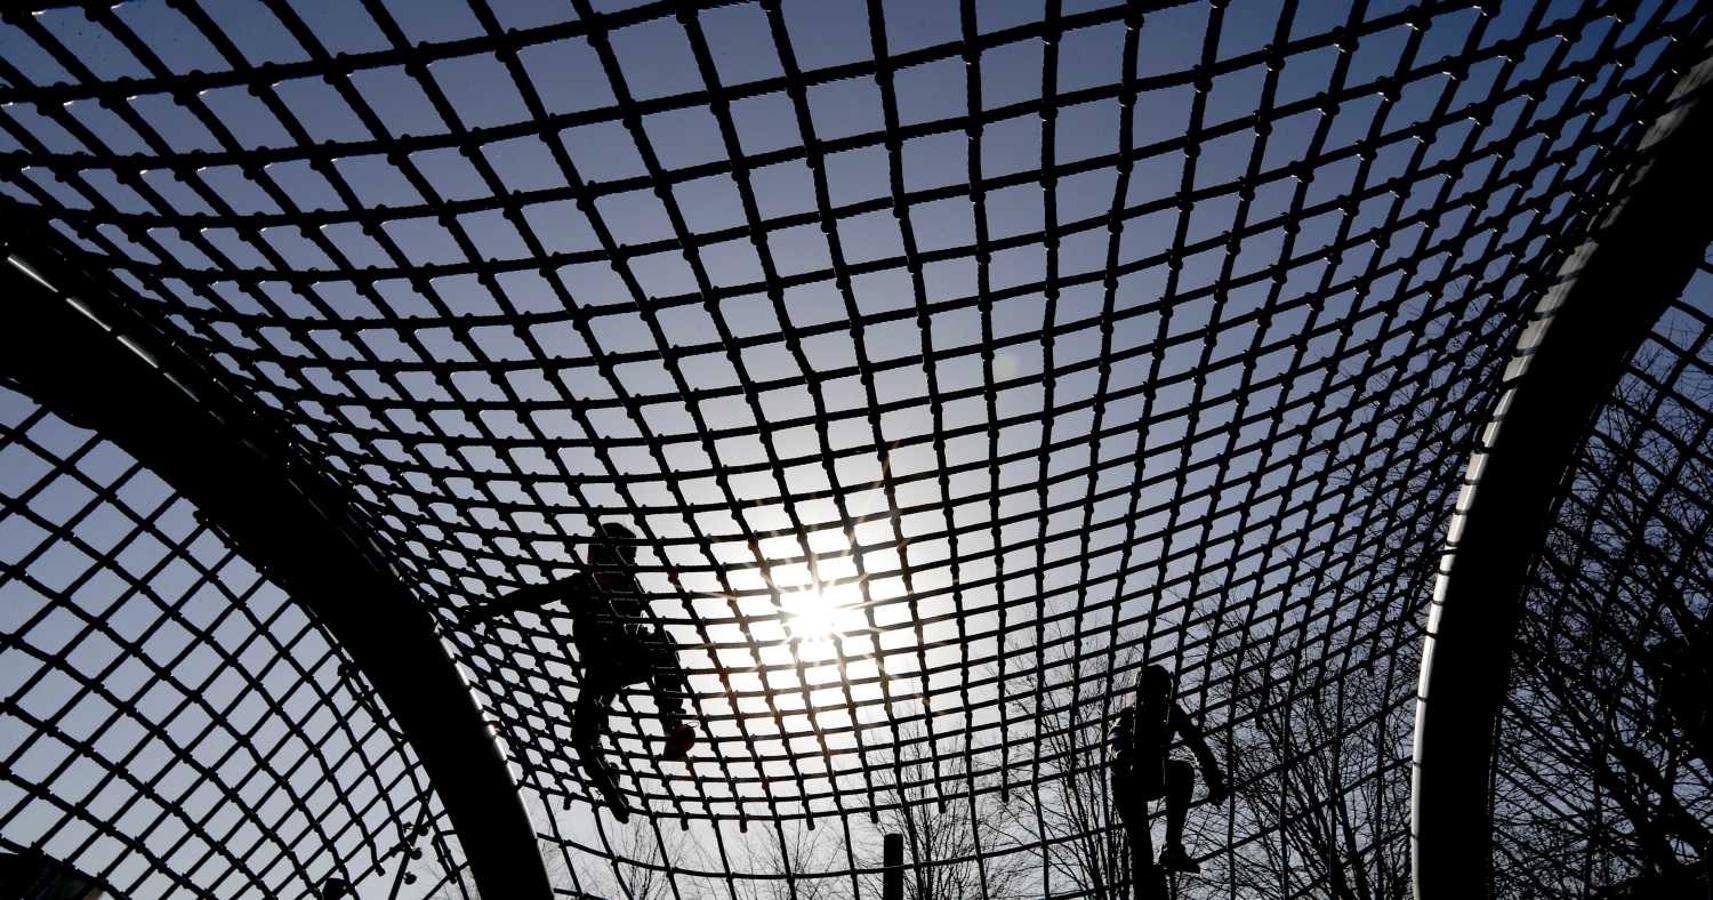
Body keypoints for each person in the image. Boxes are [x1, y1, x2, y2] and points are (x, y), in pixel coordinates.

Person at [460, 523, 696, 821]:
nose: (606, 571)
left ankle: (672, 722)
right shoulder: (580, 584)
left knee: (663, 642)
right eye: (601, 561)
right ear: (592, 559)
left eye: (617, 563)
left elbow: (644, 628)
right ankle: (610, 782)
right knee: (582, 736)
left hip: (630, 654)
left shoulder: (629, 587)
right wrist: (487, 611)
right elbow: (532, 595)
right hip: (601, 667)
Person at [1109, 664, 1227, 890]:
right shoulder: (1131, 713)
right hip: (1126, 784)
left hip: (1154, 773)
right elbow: (1114, 735)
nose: (1157, 698)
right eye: (1153, 692)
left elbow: (1197, 745)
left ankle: (1172, 848)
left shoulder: (1170, 711)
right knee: (1140, 848)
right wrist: (1122, 754)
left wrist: (1213, 780)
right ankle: (1146, 887)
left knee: (1182, 771)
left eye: (1161, 693)